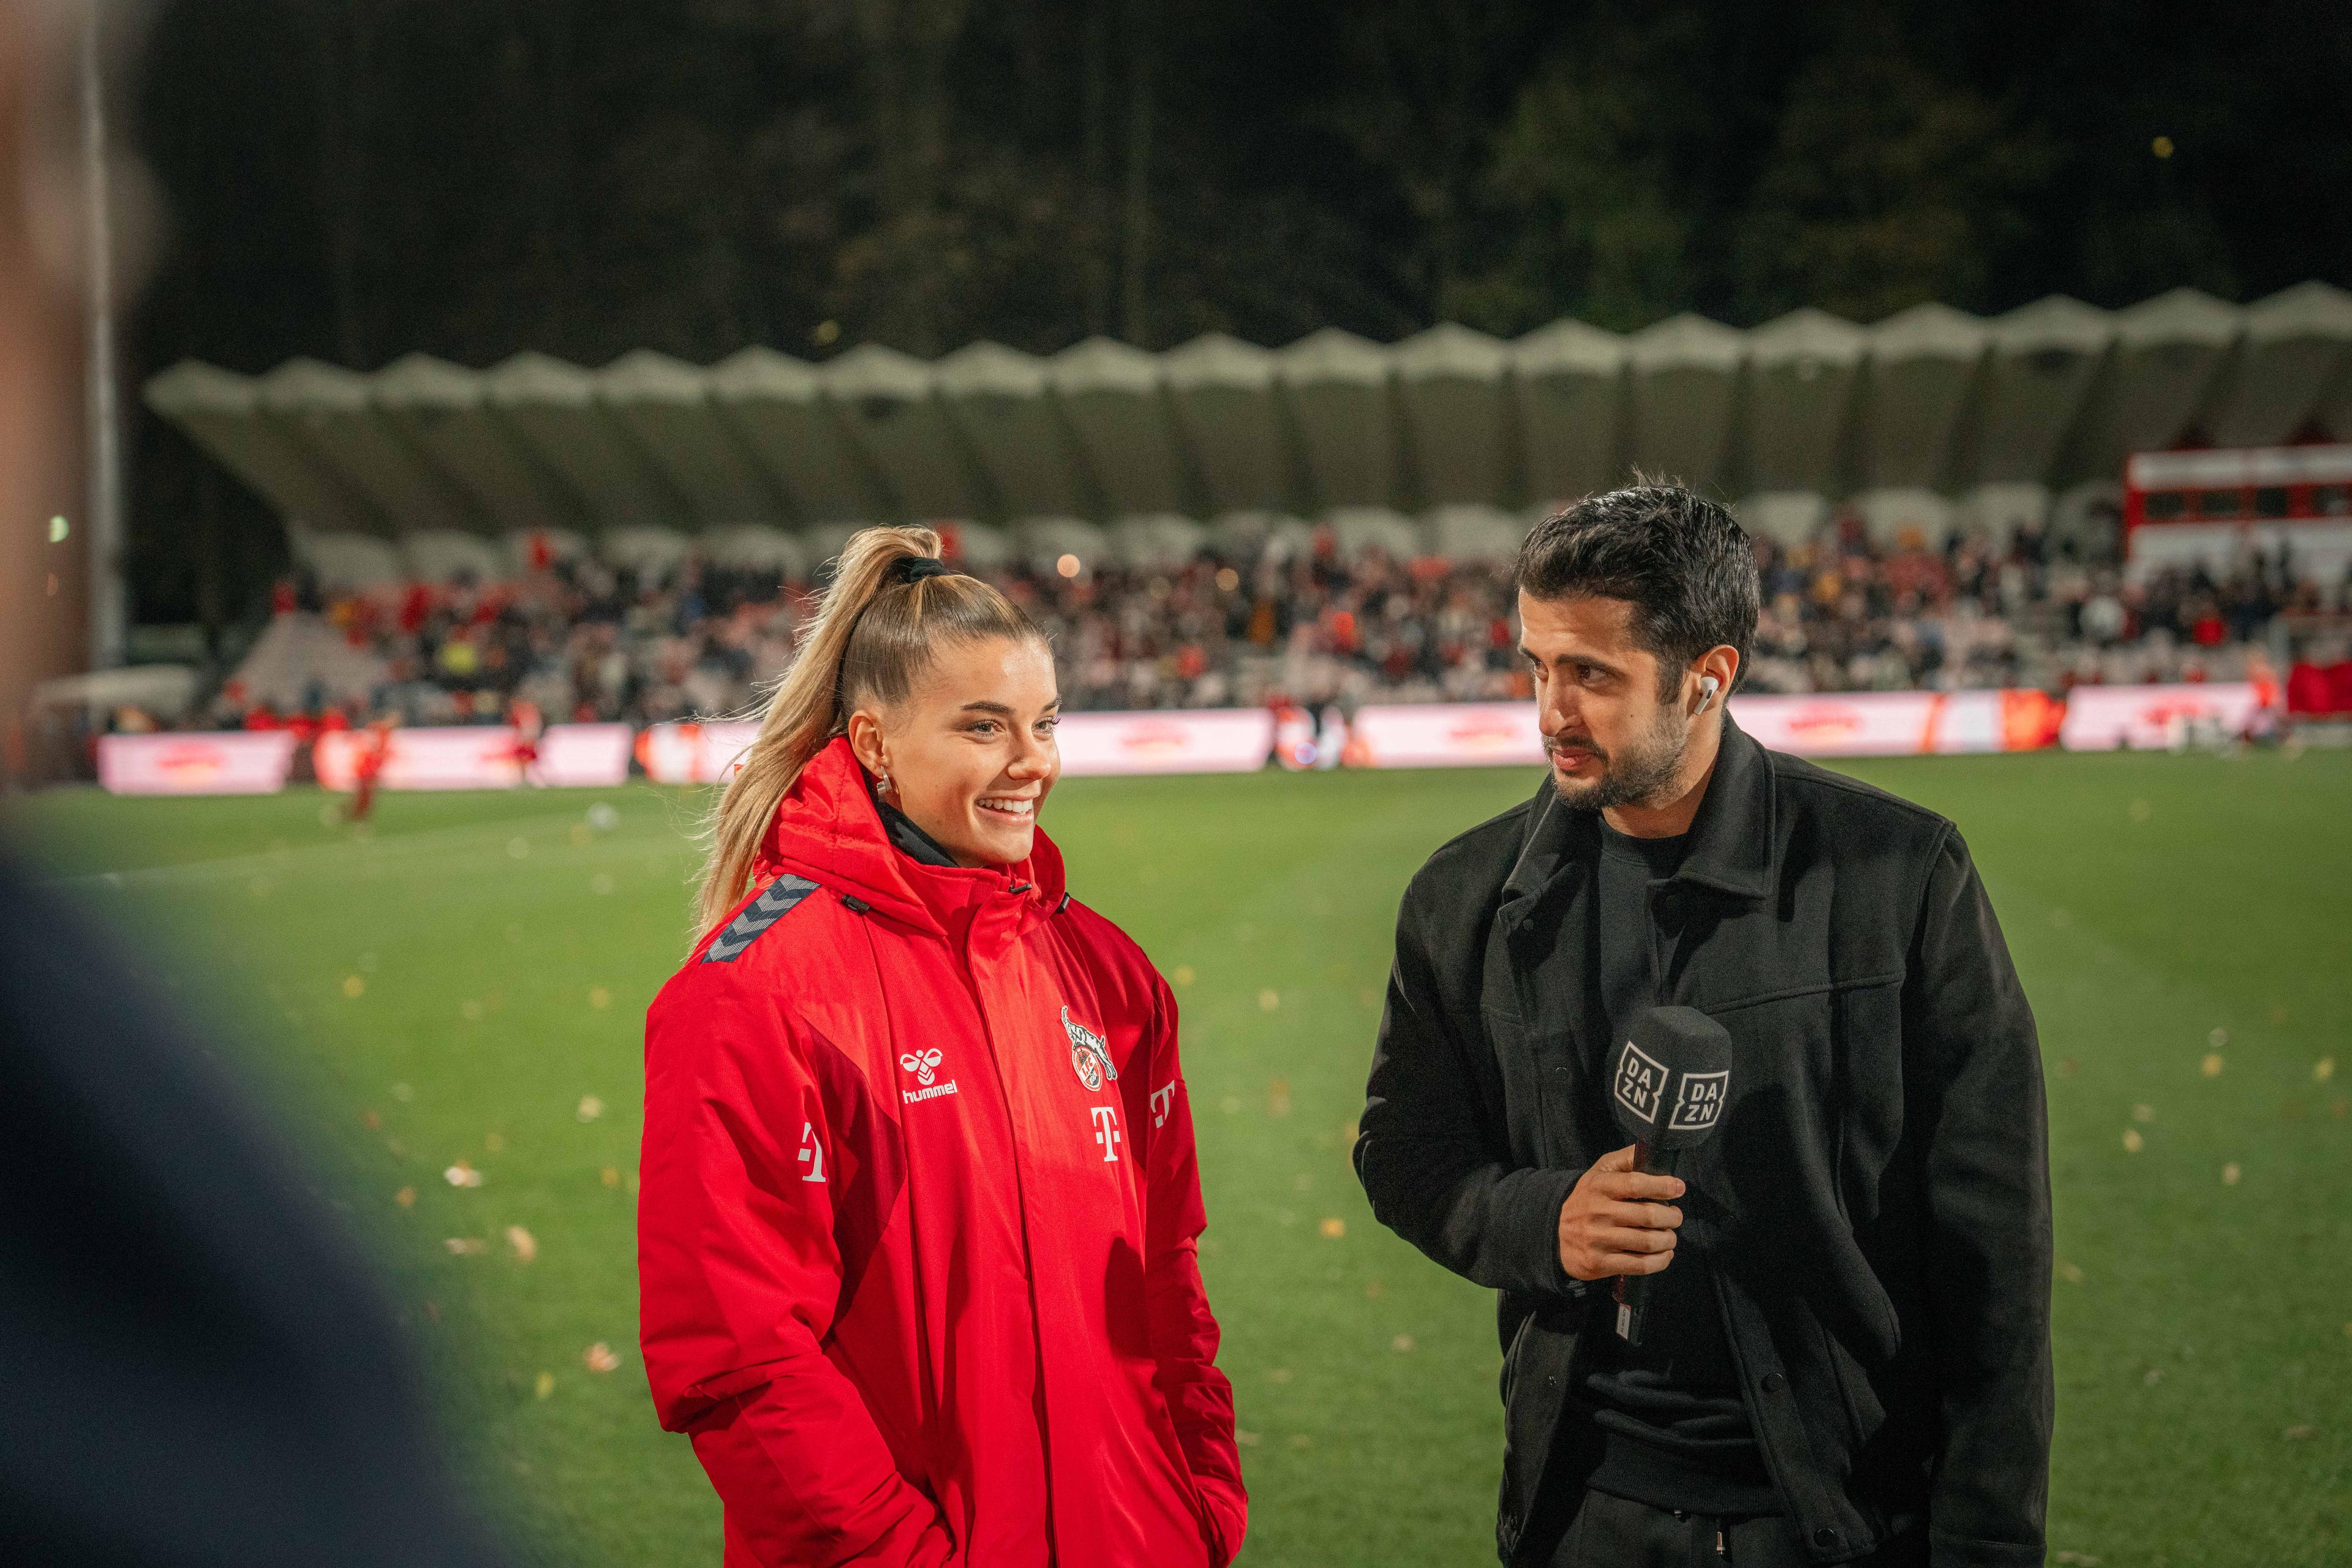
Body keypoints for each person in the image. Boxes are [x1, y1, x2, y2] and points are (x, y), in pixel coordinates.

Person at [1354, 485, 2051, 1567]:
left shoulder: (1900, 877)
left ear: (1709, 677)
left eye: (1592, 674)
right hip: (1584, 1507)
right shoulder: (1464, 899)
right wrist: (1546, 1221)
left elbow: (1994, 1252)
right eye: (1538, 665)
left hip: (1849, 1514)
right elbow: (1403, 1153)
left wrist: (1989, 1544)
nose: (1549, 710)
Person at [637, 526, 1246, 1567]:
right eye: (983, 728)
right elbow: (739, 1358)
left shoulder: (1111, 977)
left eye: (1044, 723)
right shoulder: (757, 992)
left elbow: (1166, 1276)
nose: (1032, 763)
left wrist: (1197, 1507)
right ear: (874, 745)